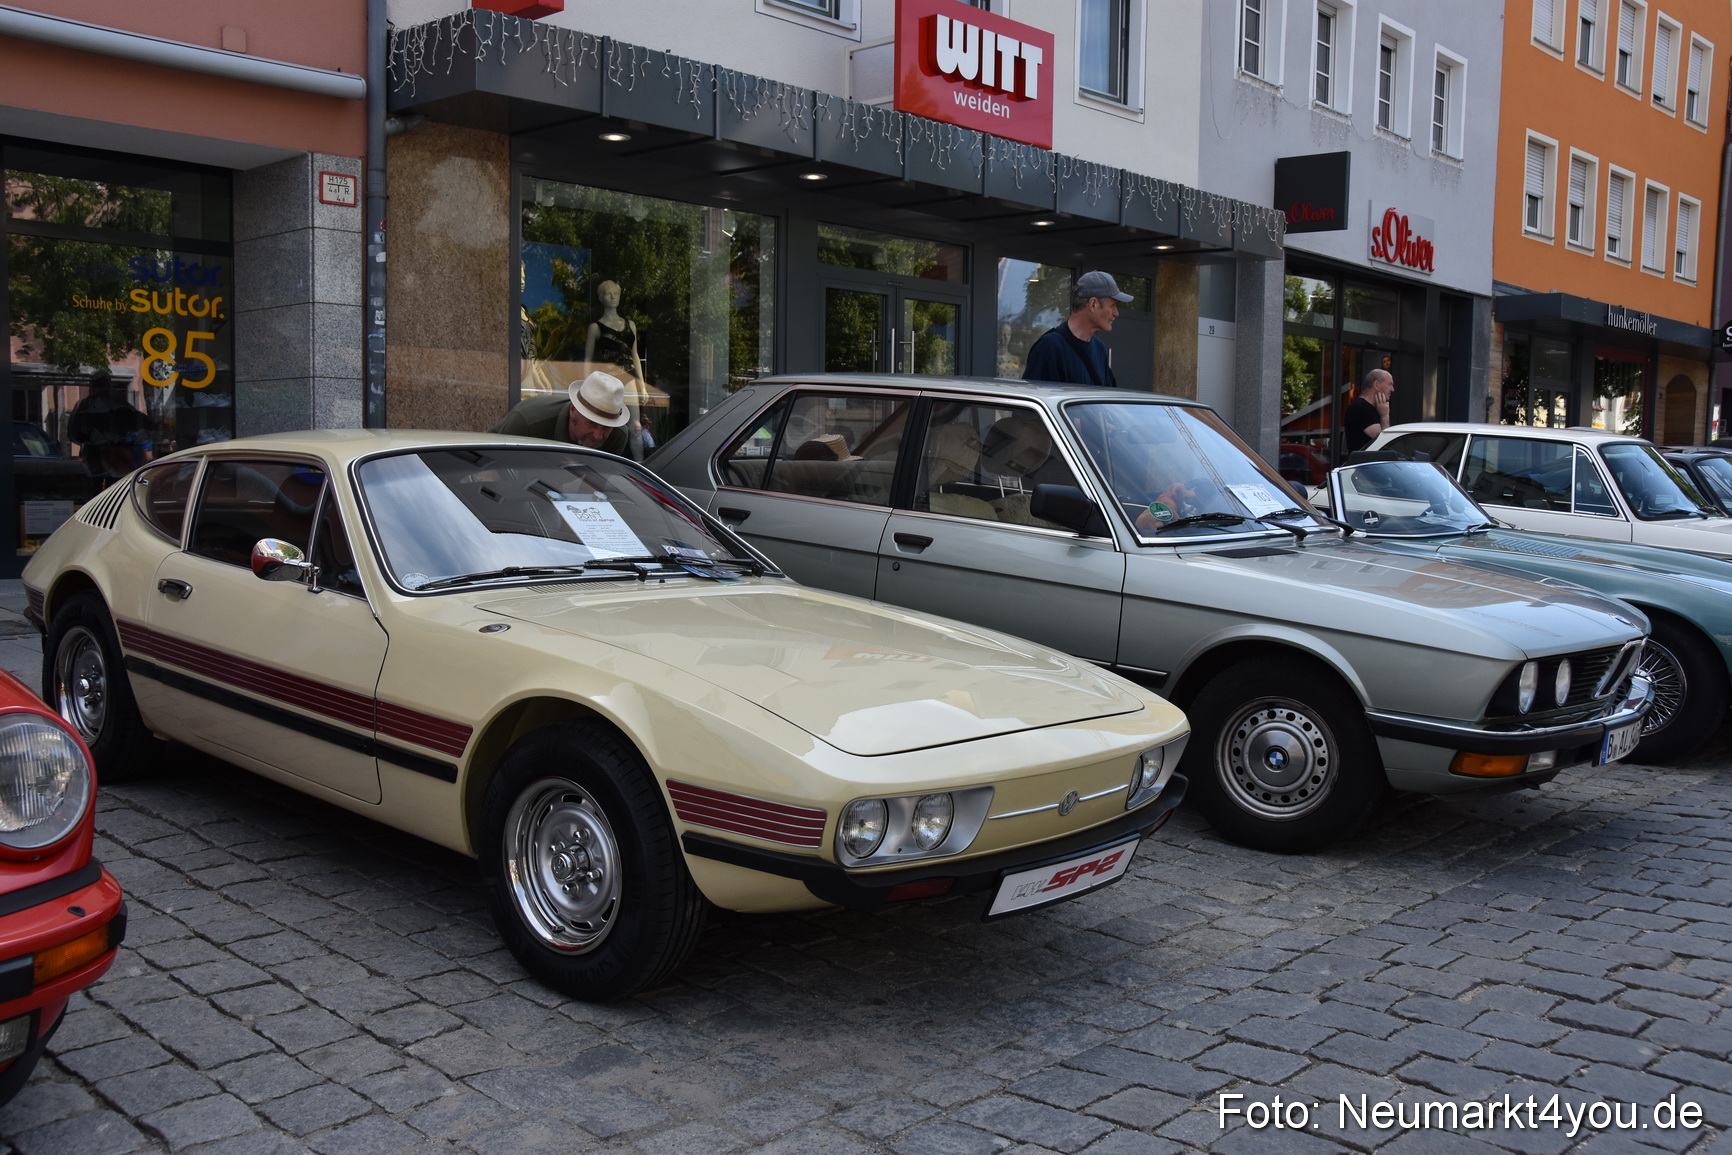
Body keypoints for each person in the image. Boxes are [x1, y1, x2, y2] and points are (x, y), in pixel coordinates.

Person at [1022, 271, 1130, 389]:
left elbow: (1108, 399)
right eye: (1113, 305)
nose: (1116, 313)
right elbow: (1035, 399)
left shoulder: (1099, 347)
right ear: (1093, 304)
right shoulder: (1050, 347)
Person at [491, 370, 633, 455]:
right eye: (591, 423)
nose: (597, 435)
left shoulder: (618, 435)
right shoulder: (528, 421)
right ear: (573, 411)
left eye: (606, 427)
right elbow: (491, 465)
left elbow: (598, 486)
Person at [1343, 368, 1394, 454]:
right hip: (1364, 466)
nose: (1392, 389)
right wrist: (1385, 416)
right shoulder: (1360, 408)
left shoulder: (1374, 409)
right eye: (1390, 384)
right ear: (1377, 385)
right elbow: (1384, 442)